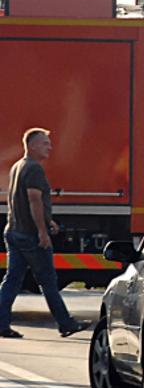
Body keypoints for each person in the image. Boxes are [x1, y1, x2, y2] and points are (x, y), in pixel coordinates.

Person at [0, 128, 90, 339]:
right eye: (45, 143)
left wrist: (48, 221)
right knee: (48, 281)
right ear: (32, 146)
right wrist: (42, 232)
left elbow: (22, 200)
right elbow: (33, 199)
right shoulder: (34, 169)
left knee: (12, 280)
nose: (49, 147)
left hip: (13, 231)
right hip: (29, 235)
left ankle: (2, 323)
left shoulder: (18, 166)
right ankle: (66, 323)